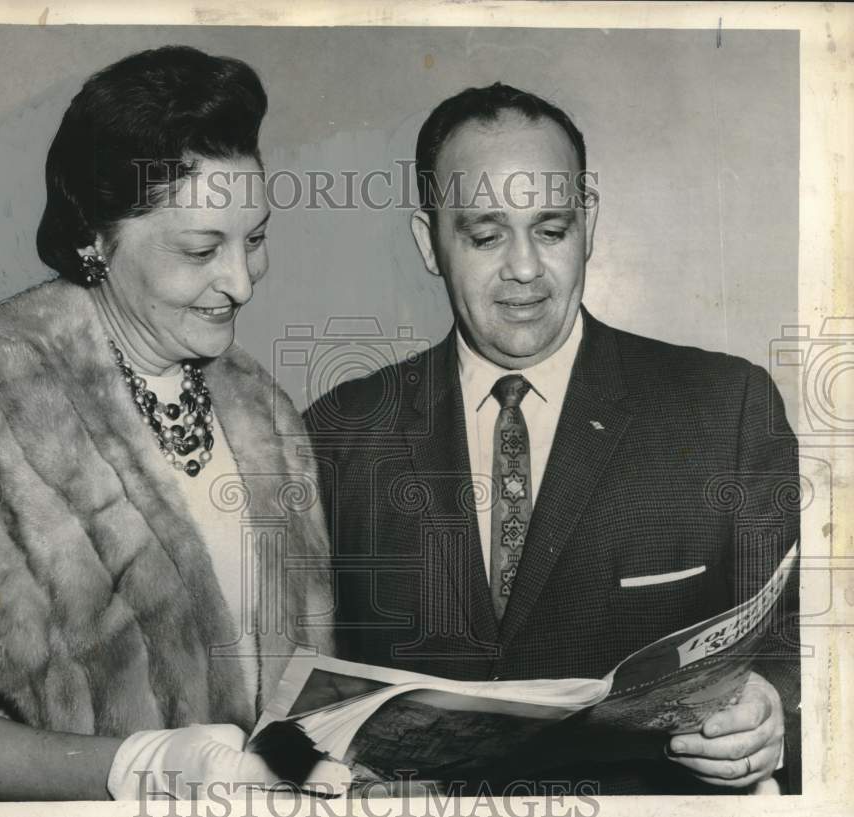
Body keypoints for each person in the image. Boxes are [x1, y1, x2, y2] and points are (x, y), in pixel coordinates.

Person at [0, 45, 345, 802]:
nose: (241, 281)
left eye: (254, 238)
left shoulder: (264, 413)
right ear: (96, 238)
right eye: (200, 249)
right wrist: (138, 769)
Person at [304, 83, 800, 795]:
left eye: (552, 228)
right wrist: (327, 774)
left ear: (589, 223)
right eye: (484, 234)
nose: (525, 269)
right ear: (428, 242)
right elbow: (283, 700)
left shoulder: (726, 408)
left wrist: (773, 710)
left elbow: (812, 645)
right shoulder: (339, 432)